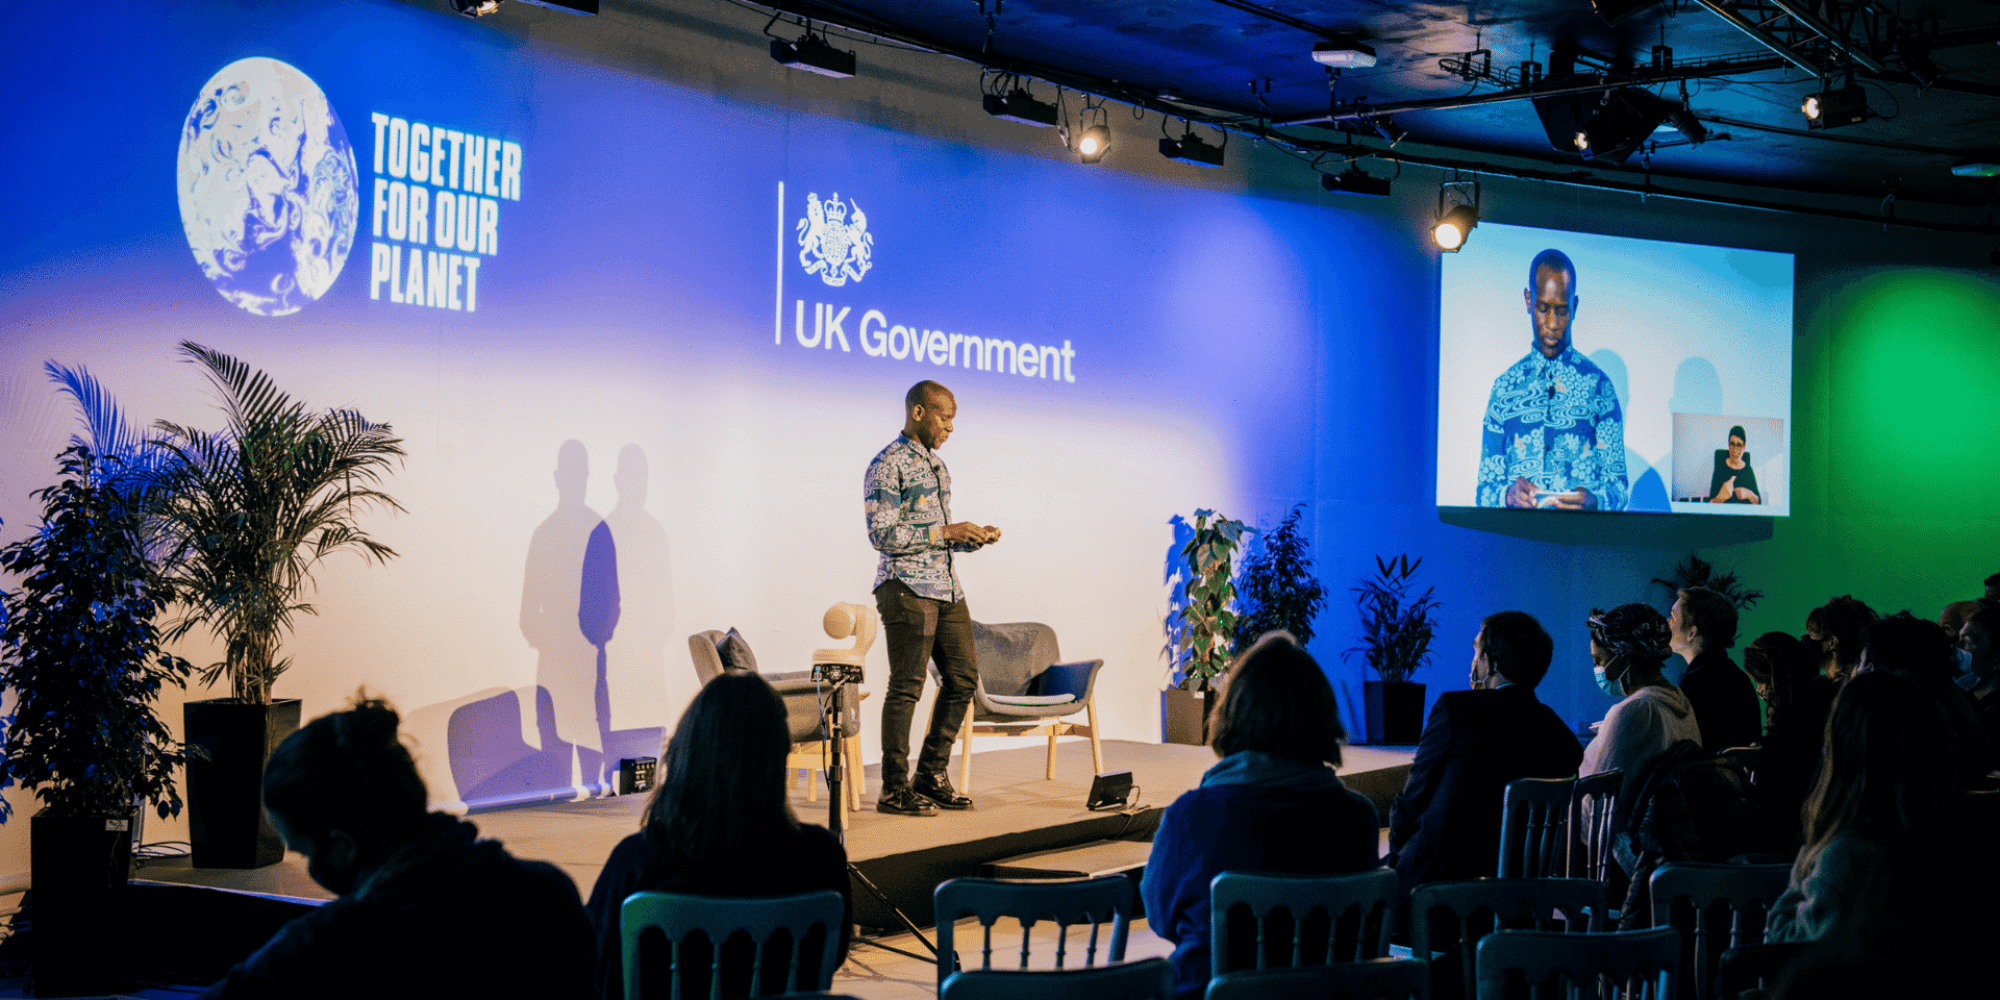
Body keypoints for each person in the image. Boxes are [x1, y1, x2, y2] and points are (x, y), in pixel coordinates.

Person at [200, 697, 596, 999]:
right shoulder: (549, 895)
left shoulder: (330, 947)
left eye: (304, 851)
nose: (309, 867)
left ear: (342, 846)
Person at [1141, 633, 1379, 1000]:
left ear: (1233, 713)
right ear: (1321, 714)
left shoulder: (1192, 816)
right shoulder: (1358, 818)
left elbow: (1161, 918)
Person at [584, 671, 850, 1000]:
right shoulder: (821, 858)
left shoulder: (637, 862)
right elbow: (829, 957)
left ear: (683, 753)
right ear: (778, 756)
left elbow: (591, 958)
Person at [864, 379, 1000, 815]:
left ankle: (930, 774)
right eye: (945, 418)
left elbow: (934, 537)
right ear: (919, 412)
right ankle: (893, 787)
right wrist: (944, 531)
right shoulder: (887, 464)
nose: (951, 428)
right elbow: (883, 535)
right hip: (905, 587)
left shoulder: (938, 466)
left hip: (946, 587)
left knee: (962, 679)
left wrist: (970, 537)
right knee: (907, 686)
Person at [1387, 610, 1582, 899]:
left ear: (1490, 663)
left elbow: (1413, 798)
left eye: (1476, 651)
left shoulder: (1456, 710)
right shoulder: (1564, 738)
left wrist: (1397, 858)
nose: (1473, 662)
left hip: (1437, 898)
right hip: (1520, 903)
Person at [1476, 248, 1628, 511]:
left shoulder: (1599, 386)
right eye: (1543, 308)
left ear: (1575, 307)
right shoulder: (1504, 388)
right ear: (1527, 300)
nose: (1552, 323)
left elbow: (1619, 488)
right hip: (1516, 544)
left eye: (1562, 311)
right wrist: (1508, 497)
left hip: (1582, 545)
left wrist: (1596, 501)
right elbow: (1484, 491)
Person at [1580, 603, 1700, 780]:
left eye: (1599, 661)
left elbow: (1597, 799)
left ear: (1624, 656)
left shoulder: (1636, 710)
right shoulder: (1681, 702)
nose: (1598, 669)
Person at [1741, 631, 1833, 853]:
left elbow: (1776, 805)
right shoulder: (1825, 700)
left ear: (1775, 677)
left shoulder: (1794, 727)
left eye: (1760, 681)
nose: (1759, 690)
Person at [1670, 586, 1761, 753]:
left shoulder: (1695, 684)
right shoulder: (1739, 677)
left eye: (1673, 617)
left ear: (1692, 632)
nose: (1668, 623)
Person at [1804, 594, 1876, 685]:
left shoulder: (1818, 692)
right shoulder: (1864, 686)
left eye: (1811, 633)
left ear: (1831, 642)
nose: (1805, 640)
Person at [1707, 425, 1762, 504]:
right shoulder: (1720, 468)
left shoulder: (1748, 470)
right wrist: (1720, 498)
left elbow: (1758, 502)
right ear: (1728, 445)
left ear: (1744, 447)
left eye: (1739, 445)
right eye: (1732, 444)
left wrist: (1749, 494)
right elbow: (1710, 503)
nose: (1735, 449)